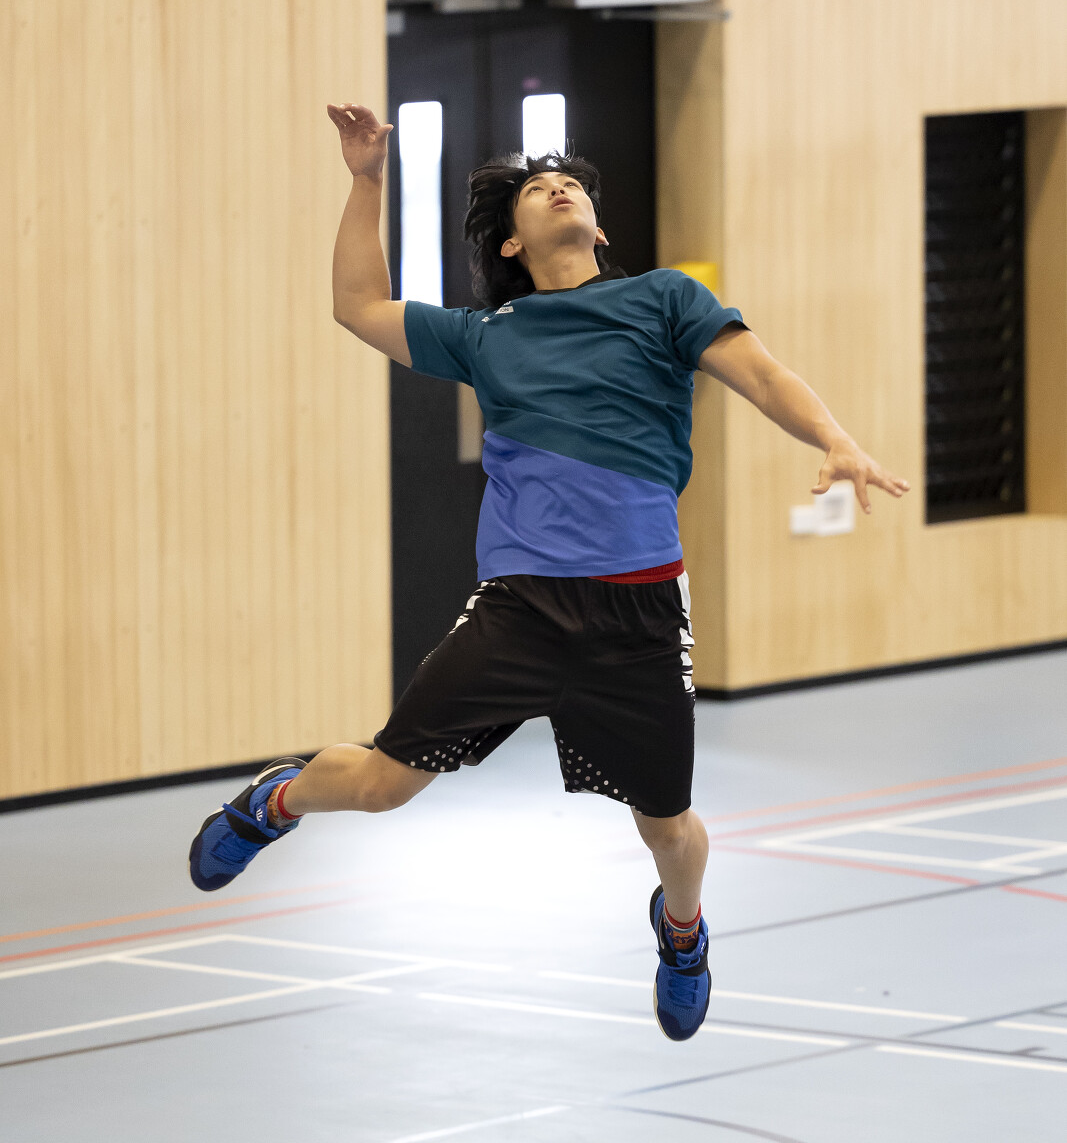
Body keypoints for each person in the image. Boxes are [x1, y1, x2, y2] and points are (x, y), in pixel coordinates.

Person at [188, 103, 909, 1042]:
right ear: (511, 242)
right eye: (537, 188)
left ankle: (681, 933)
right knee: (382, 786)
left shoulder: (663, 300)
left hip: (639, 612)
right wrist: (366, 180)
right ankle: (272, 802)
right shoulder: (487, 334)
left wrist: (834, 438)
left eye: (570, 183)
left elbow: (763, 375)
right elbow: (357, 307)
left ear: (598, 229)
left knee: (668, 829)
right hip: (520, 609)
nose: (559, 188)